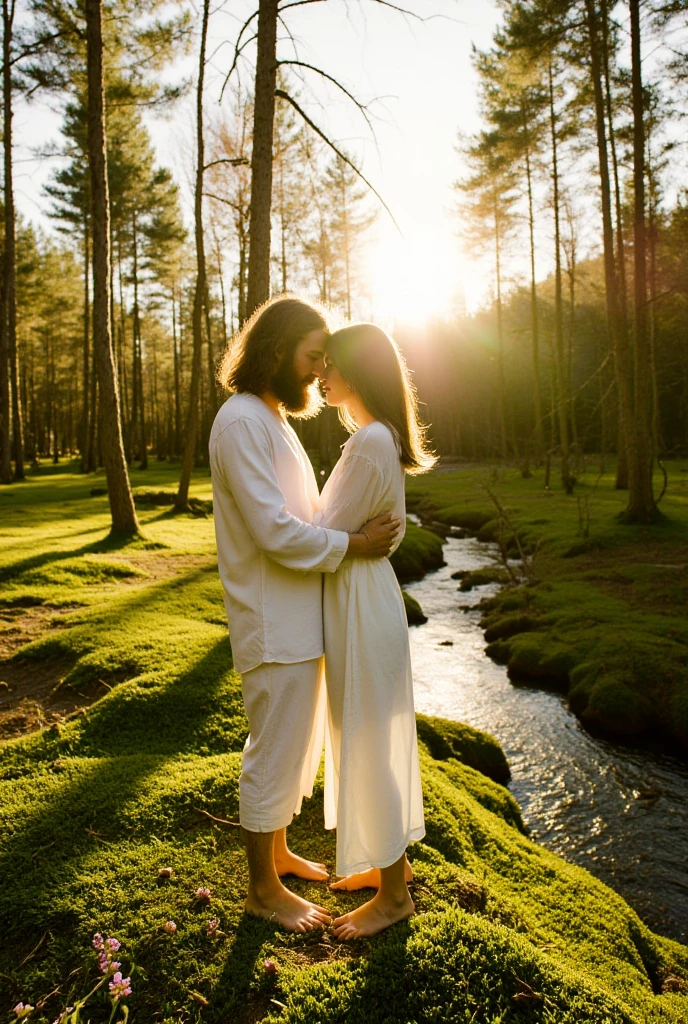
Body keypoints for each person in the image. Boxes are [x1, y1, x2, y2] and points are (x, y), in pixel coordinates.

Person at [209, 298, 401, 934]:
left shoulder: (272, 418)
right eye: (313, 356)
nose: (320, 371)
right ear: (277, 350)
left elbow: (311, 511)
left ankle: (282, 850)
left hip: (304, 611)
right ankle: (261, 890)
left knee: (294, 750)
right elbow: (273, 529)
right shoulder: (241, 421)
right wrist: (353, 545)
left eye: (327, 359)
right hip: (272, 616)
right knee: (272, 751)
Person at [313, 323, 436, 940]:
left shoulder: (368, 443)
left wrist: (305, 523)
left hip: (360, 601)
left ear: (356, 370)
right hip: (363, 594)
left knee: (365, 731)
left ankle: (392, 897)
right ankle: (391, 865)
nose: (320, 374)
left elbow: (325, 529)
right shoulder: (375, 439)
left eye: (330, 363)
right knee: (364, 727)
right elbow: (362, 530)